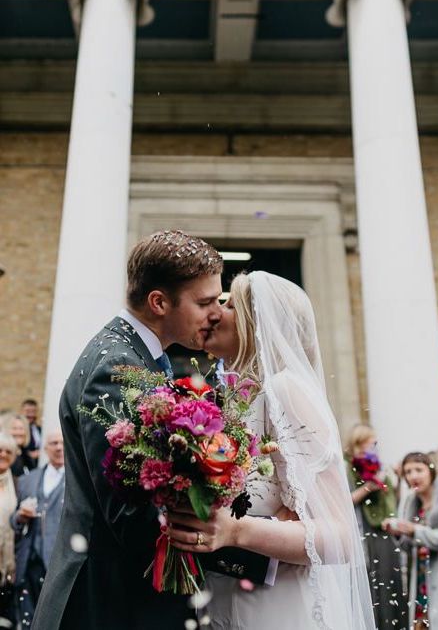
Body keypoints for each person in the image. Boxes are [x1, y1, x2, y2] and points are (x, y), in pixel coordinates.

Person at [33, 231, 271, 630]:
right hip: (106, 606)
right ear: (159, 302)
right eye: (204, 302)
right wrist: (260, 552)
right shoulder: (116, 369)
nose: (217, 312)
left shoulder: (135, 356)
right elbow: (134, 514)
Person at [167, 271, 376, 630]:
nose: (215, 312)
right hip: (225, 596)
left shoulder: (286, 391)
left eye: (229, 304)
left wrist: (236, 531)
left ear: (258, 322)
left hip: (278, 608)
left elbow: (338, 534)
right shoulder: (232, 401)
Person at [382, 452, 438, 630]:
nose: (413, 476)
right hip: (420, 574)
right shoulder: (411, 501)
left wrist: (415, 530)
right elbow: (408, 547)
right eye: (408, 472)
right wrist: (399, 533)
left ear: (431, 471)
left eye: (419, 470)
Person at [345, 424, 406, 630]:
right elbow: (345, 501)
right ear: (359, 442)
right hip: (365, 531)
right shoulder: (348, 467)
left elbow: (390, 499)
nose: (374, 446)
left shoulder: (379, 465)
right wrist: (370, 486)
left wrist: (395, 480)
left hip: (385, 531)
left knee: (391, 580)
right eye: (371, 441)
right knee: (375, 582)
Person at [12, 431, 65, 625]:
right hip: (28, 562)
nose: (59, 447)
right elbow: (13, 519)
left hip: (58, 562)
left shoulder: (78, 482)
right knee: (27, 619)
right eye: (53, 443)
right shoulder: (28, 480)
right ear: (45, 448)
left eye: (62, 442)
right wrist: (20, 516)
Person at [0, 434, 18, 626]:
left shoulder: (20, 483)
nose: (3, 454)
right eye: (0, 450)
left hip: (7, 564)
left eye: (8, 451)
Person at [1, 414, 34, 478]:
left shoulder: (25, 453)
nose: (18, 432)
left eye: (21, 428)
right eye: (14, 428)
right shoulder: (3, 454)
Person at [20, 400, 41, 468]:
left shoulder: (40, 429)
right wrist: (30, 454)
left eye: (33, 412)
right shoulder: (18, 430)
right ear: (22, 412)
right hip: (24, 465)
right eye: (28, 411)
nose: (31, 415)